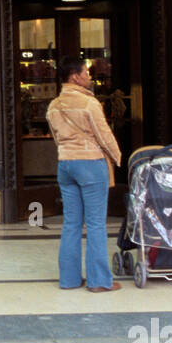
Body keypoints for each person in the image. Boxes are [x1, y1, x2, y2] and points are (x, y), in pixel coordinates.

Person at [46, 57, 122, 292]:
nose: (90, 77)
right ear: (75, 77)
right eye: (86, 73)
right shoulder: (90, 104)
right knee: (97, 224)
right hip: (91, 163)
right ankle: (99, 281)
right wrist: (118, 157)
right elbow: (104, 135)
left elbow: (56, 137)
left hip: (66, 164)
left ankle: (68, 279)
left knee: (71, 223)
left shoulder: (53, 105)